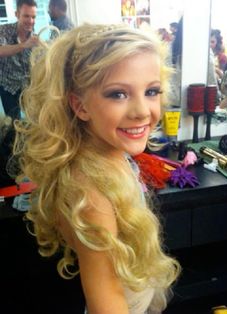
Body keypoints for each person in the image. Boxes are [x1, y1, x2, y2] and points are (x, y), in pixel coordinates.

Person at [14, 23, 181, 313]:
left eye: (152, 91)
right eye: (118, 94)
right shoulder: (91, 193)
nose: (142, 110)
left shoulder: (111, 153)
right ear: (80, 106)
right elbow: (108, 302)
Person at [0, 0, 39, 120]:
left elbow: (34, 62)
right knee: (13, 122)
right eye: (26, 16)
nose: (31, 21)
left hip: (27, 85)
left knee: (35, 117)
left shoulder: (34, 36)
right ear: (17, 14)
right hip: (8, 86)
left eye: (33, 17)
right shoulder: (4, 30)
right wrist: (24, 45)